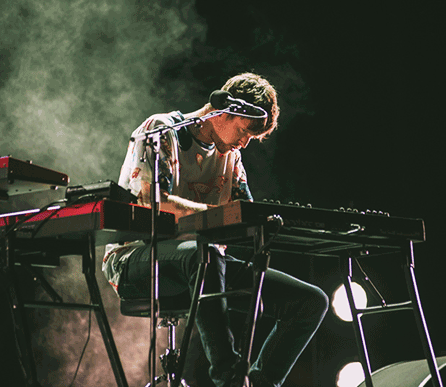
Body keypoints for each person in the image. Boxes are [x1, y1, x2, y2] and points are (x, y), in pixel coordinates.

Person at [102, 72, 329, 387]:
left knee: (310, 302)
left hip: (204, 264)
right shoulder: (162, 131)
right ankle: (228, 376)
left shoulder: (232, 159)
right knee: (204, 253)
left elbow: (244, 218)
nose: (244, 143)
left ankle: (258, 384)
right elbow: (153, 203)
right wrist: (214, 216)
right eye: (244, 131)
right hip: (134, 258)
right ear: (225, 111)